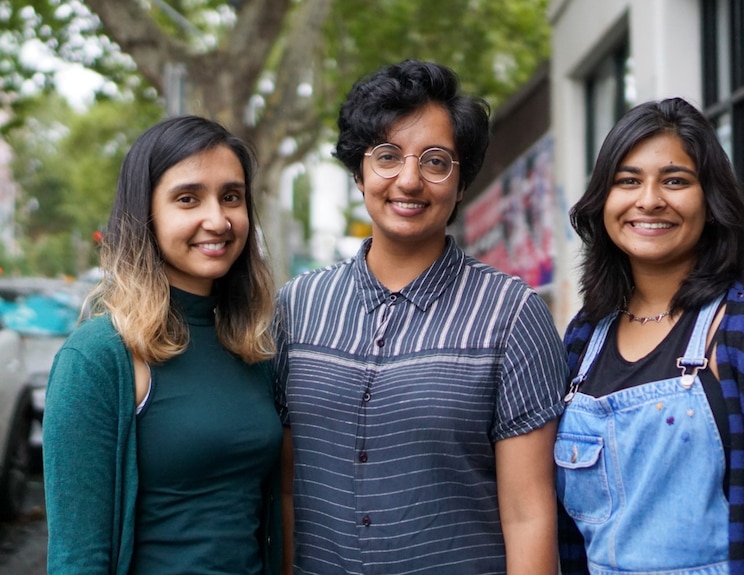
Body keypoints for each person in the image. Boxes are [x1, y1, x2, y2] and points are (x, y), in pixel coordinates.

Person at [273, 59, 567, 575]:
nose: (408, 180)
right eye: (387, 156)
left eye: (435, 162)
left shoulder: (511, 315)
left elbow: (528, 515)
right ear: (359, 173)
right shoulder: (296, 308)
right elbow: (285, 487)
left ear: (460, 182)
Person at [556, 97, 744, 574]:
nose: (649, 200)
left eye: (675, 180)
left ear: (711, 202)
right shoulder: (584, 337)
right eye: (628, 180)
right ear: (602, 202)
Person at [42, 115, 282, 575]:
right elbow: (77, 558)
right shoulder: (98, 357)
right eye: (188, 199)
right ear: (145, 215)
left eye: (231, 197)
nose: (218, 219)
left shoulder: (252, 346)